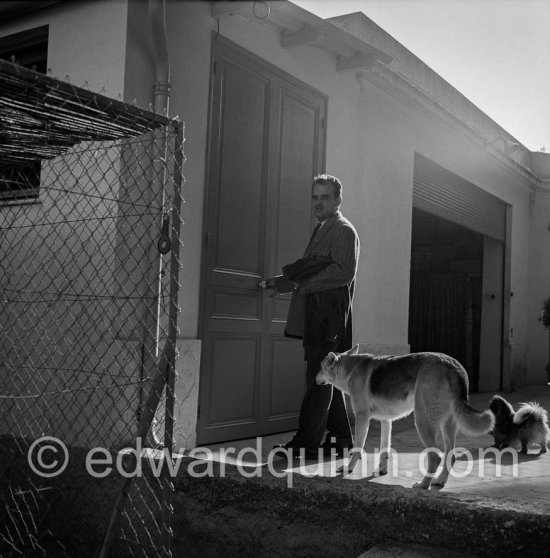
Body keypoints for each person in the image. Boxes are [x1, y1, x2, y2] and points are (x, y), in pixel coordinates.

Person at [276, 173, 360, 458]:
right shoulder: (323, 228)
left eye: (325, 197)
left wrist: (305, 285)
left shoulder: (342, 229)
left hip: (328, 319)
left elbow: (343, 271)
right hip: (320, 316)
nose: (318, 202)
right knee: (328, 378)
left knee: (318, 379)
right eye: (315, 197)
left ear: (338, 200)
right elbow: (314, 267)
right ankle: (341, 439)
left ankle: (306, 445)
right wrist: (281, 283)